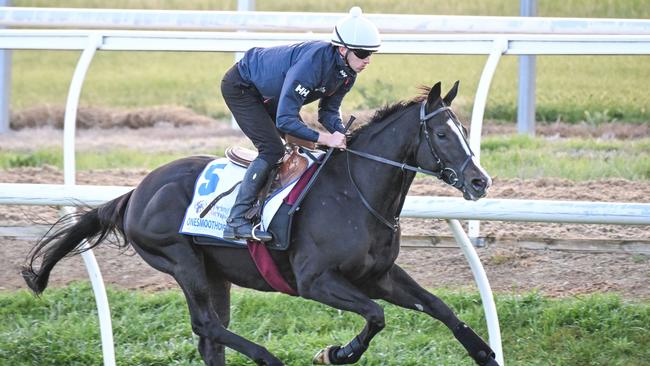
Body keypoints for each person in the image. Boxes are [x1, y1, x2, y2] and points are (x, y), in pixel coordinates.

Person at [221, 6, 381, 241]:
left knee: (306, 144)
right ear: (342, 48)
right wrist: (327, 138)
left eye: (371, 54)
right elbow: (286, 120)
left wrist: (343, 135)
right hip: (242, 87)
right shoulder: (313, 64)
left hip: (269, 92)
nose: (367, 60)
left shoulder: (347, 72)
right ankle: (236, 220)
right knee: (272, 149)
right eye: (362, 53)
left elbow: (328, 113)